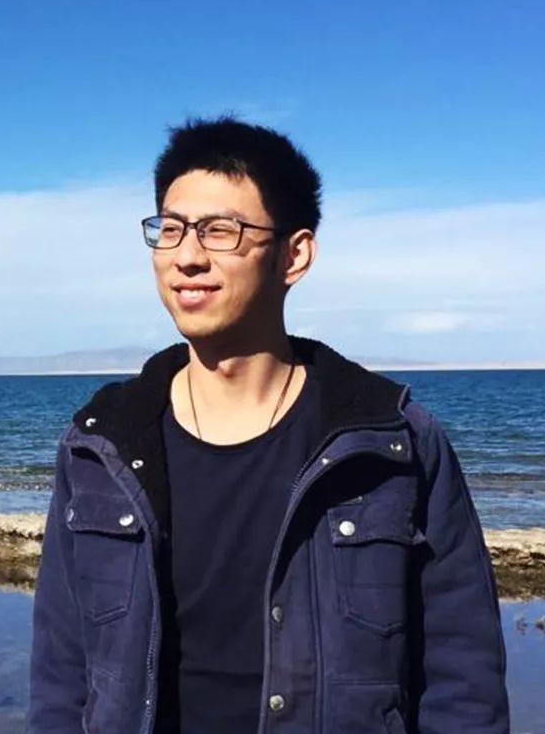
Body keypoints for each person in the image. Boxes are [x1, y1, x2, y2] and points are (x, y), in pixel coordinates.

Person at [25, 116, 509, 733]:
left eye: (219, 230)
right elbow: (61, 673)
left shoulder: (392, 443)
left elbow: (462, 677)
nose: (187, 257)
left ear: (293, 254)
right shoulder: (101, 445)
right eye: (169, 230)